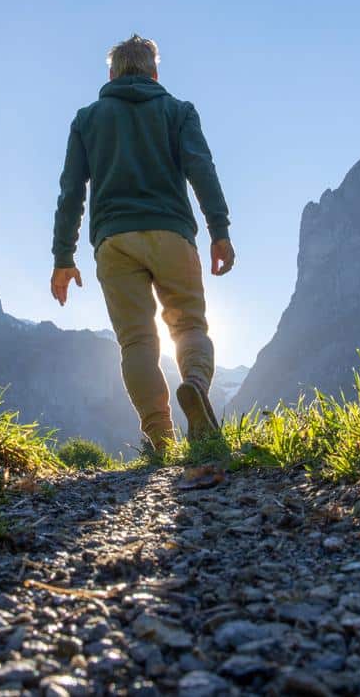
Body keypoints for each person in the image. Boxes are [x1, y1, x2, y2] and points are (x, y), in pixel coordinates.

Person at [50, 34, 235, 454]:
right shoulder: (178, 111)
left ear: (112, 74)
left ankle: (161, 438)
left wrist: (64, 257)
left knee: (137, 341)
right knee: (188, 325)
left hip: (115, 242)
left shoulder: (87, 119)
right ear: (154, 72)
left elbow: (71, 192)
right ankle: (195, 387)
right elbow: (201, 170)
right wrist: (219, 231)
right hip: (172, 233)